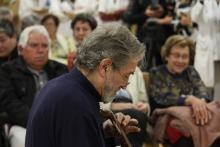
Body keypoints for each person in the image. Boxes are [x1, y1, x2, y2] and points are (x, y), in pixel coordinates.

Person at [25, 23, 145, 147]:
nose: (125, 86)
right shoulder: (76, 104)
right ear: (105, 67)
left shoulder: (62, 88)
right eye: (126, 75)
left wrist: (106, 134)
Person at [0, 25, 68, 147]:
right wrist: (40, 123)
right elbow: (11, 104)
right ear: (21, 49)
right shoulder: (6, 71)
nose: (40, 50)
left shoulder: (60, 70)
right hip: (21, 125)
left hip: (58, 124)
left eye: (45, 46)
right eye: (34, 45)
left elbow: (68, 101)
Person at [148, 35, 219, 147]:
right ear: (167, 56)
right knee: (183, 138)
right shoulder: (157, 72)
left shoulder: (191, 72)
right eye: (176, 56)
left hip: (194, 118)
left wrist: (200, 102)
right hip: (169, 119)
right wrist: (189, 99)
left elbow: (203, 92)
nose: (181, 60)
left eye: (185, 56)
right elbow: (160, 98)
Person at [191, 0, 220, 99]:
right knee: (204, 82)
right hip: (206, 47)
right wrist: (201, 2)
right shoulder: (204, 1)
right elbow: (194, 17)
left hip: (218, 48)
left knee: (218, 84)